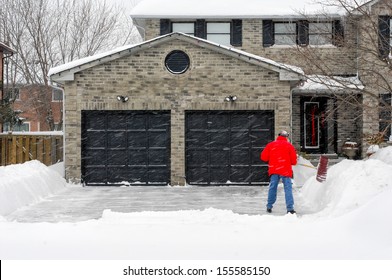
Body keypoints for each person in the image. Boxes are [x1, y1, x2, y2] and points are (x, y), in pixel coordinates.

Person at [260, 130, 298, 214]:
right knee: (288, 188)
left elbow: (263, 157)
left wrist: (273, 158)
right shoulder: (289, 146)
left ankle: (269, 206)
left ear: (278, 136)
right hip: (285, 170)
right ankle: (290, 208)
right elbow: (294, 162)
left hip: (274, 169)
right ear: (286, 137)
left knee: (272, 187)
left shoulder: (271, 145)